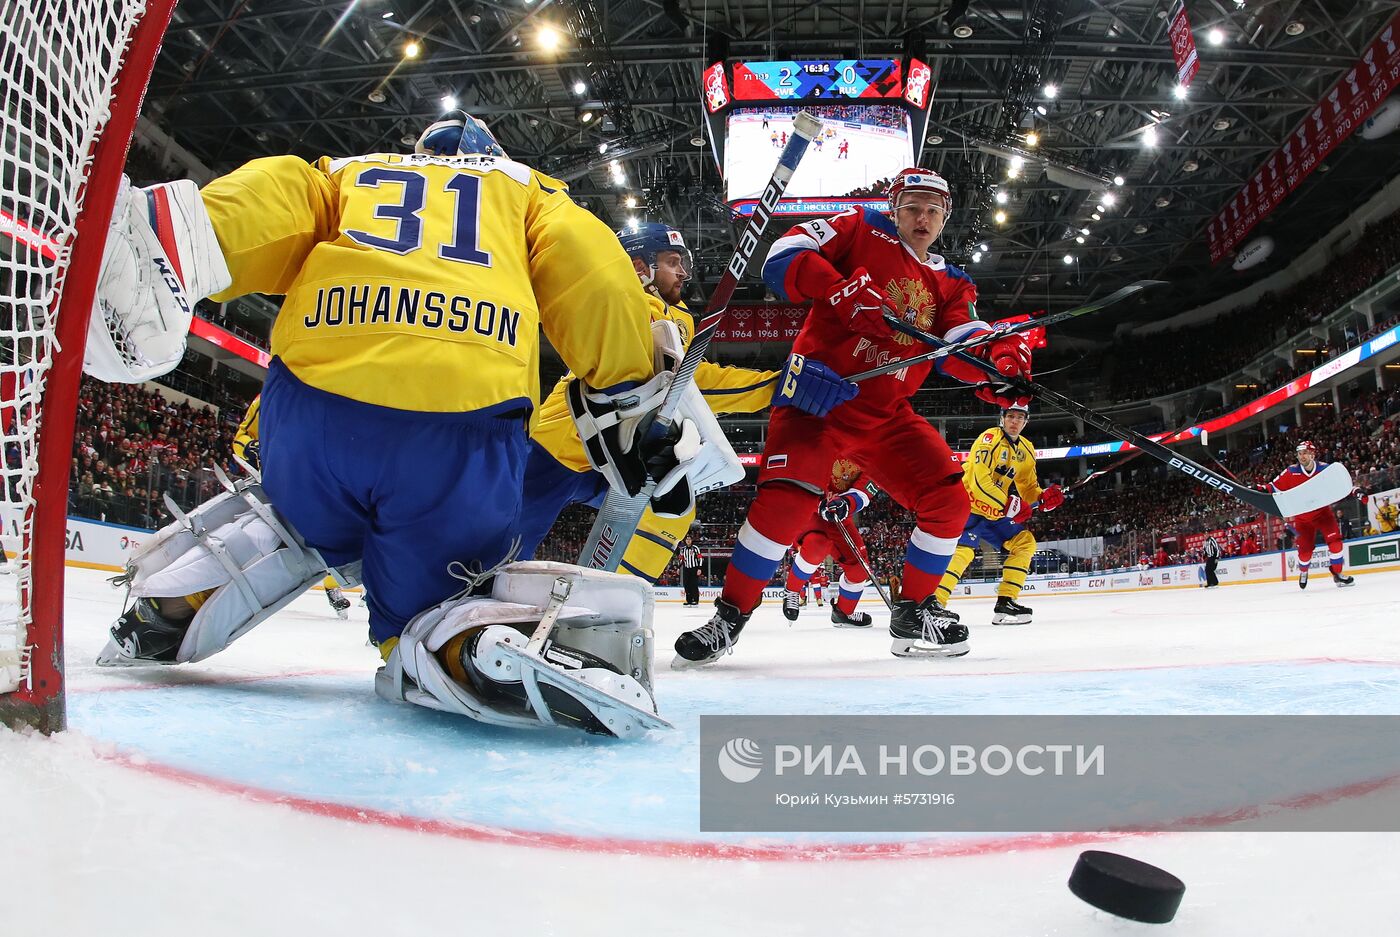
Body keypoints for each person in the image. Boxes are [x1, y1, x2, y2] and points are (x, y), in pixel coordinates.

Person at [96, 110, 693, 735]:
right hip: (456, 424)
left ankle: (189, 589)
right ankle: (459, 646)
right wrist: (629, 389)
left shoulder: (352, 174)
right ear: (494, 155)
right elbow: (590, 271)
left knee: (294, 515)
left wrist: (190, 238)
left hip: (309, 412)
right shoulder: (527, 191)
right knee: (434, 593)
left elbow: (276, 197)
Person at [672, 167, 1036, 667]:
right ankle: (729, 618)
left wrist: (995, 367)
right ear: (895, 207)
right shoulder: (858, 227)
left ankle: (915, 611)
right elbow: (781, 257)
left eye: (933, 209)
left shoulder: (952, 282)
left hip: (884, 414)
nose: (922, 217)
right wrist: (840, 288)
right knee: (786, 507)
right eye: (912, 206)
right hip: (816, 402)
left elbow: (957, 344)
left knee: (949, 499)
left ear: (945, 217)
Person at [517, 221, 851, 581]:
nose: (683, 273)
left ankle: (617, 599)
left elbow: (685, 382)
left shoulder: (678, 319)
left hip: (614, 457)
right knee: (505, 549)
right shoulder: (624, 306)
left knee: (670, 508)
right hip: (558, 449)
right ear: (639, 267)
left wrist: (773, 385)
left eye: (683, 263)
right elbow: (680, 382)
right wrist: (773, 387)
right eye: (672, 261)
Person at [932, 403, 1063, 624]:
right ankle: (935, 605)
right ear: (1002, 418)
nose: (1014, 421)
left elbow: (1028, 487)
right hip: (968, 505)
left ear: (1026, 421)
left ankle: (1006, 604)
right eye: (1010, 416)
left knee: (1024, 542)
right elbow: (979, 481)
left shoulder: (1027, 449)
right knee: (963, 553)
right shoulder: (989, 439)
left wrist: (1043, 499)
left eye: (1020, 417)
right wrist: (1009, 503)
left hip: (993, 512)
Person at [230, 394, 352, 618]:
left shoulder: (327, 395)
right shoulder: (268, 398)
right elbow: (240, 439)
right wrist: (255, 449)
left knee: (332, 538)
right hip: (274, 485)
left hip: (312, 482)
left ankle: (338, 587)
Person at [781, 459, 875, 627]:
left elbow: (872, 480)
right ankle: (792, 590)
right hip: (810, 510)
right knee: (817, 545)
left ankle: (843, 613)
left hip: (839, 513)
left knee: (860, 571)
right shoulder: (820, 435)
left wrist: (848, 502)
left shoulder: (876, 447)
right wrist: (818, 502)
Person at [1269, 441, 1360, 588]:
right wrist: (1258, 489)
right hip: (1302, 518)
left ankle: (1338, 574)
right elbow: (1272, 487)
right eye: (1299, 454)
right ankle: (1304, 571)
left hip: (1323, 514)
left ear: (1312, 454)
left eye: (1305, 453)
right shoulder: (1291, 471)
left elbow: (1343, 484)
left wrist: (1356, 490)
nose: (1301, 456)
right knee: (1304, 554)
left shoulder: (1325, 469)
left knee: (1336, 544)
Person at [678, 534, 703, 606]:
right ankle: (689, 600)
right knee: (686, 584)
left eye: (689, 539)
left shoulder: (695, 548)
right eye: (687, 539)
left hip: (694, 568)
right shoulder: (683, 549)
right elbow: (681, 559)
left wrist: (699, 568)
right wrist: (679, 568)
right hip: (686, 568)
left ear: (691, 541)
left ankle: (695, 600)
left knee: (694, 584)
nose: (688, 541)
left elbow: (700, 558)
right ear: (685, 541)